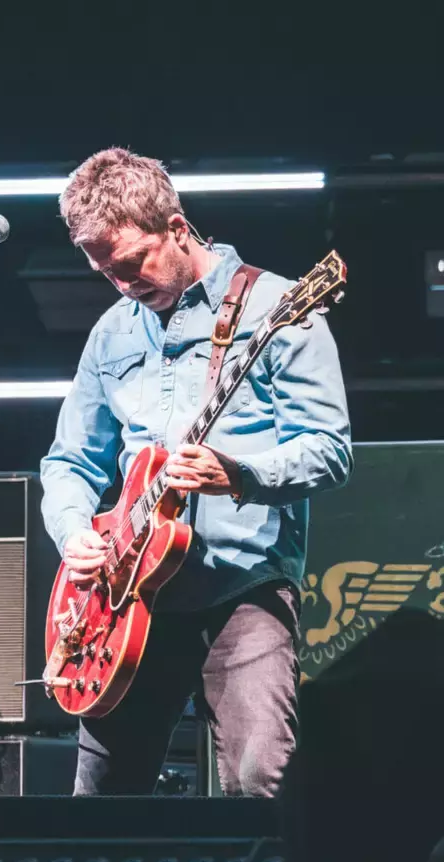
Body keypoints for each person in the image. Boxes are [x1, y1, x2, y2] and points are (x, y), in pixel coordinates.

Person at [40, 147, 352, 797]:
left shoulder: (279, 307)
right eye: (105, 272)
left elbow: (328, 449)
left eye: (132, 262)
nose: (123, 284)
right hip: (126, 601)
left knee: (260, 782)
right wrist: (75, 533)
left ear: (177, 228)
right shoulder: (111, 334)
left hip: (241, 587)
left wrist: (236, 473)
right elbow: (69, 461)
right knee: (98, 800)